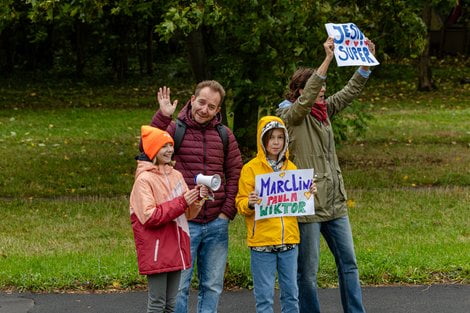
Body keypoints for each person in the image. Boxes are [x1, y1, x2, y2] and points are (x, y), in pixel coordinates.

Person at [277, 37, 377, 313]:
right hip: (308, 204)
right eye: (317, 88)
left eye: (324, 88)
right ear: (299, 90)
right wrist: (327, 60)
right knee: (307, 273)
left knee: (349, 264)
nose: (323, 92)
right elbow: (305, 101)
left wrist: (365, 64)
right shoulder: (289, 114)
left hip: (335, 202)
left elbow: (348, 92)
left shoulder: (324, 111)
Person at [149, 80, 243, 313]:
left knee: (212, 286)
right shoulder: (175, 129)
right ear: (192, 100)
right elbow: (149, 149)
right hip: (183, 221)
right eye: (201, 102)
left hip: (216, 223)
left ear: (218, 110)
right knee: (180, 286)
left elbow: (235, 173)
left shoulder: (224, 135)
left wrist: (226, 212)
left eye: (212, 107)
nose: (205, 109)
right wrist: (162, 116)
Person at [236, 116, 316, 313]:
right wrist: (250, 203)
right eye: (271, 137)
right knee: (264, 298)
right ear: (262, 140)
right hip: (262, 243)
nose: (275, 142)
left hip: (289, 242)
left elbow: (297, 202)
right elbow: (240, 202)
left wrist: (308, 191)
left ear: (286, 140)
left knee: (291, 295)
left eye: (280, 137)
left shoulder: (292, 168)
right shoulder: (250, 169)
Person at [129, 125, 206, 313]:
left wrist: (198, 198)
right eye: (164, 146)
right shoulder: (143, 180)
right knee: (157, 304)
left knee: (171, 304)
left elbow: (188, 214)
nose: (170, 150)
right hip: (157, 248)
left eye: (170, 145)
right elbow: (150, 216)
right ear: (152, 149)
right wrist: (182, 201)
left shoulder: (176, 175)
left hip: (176, 246)